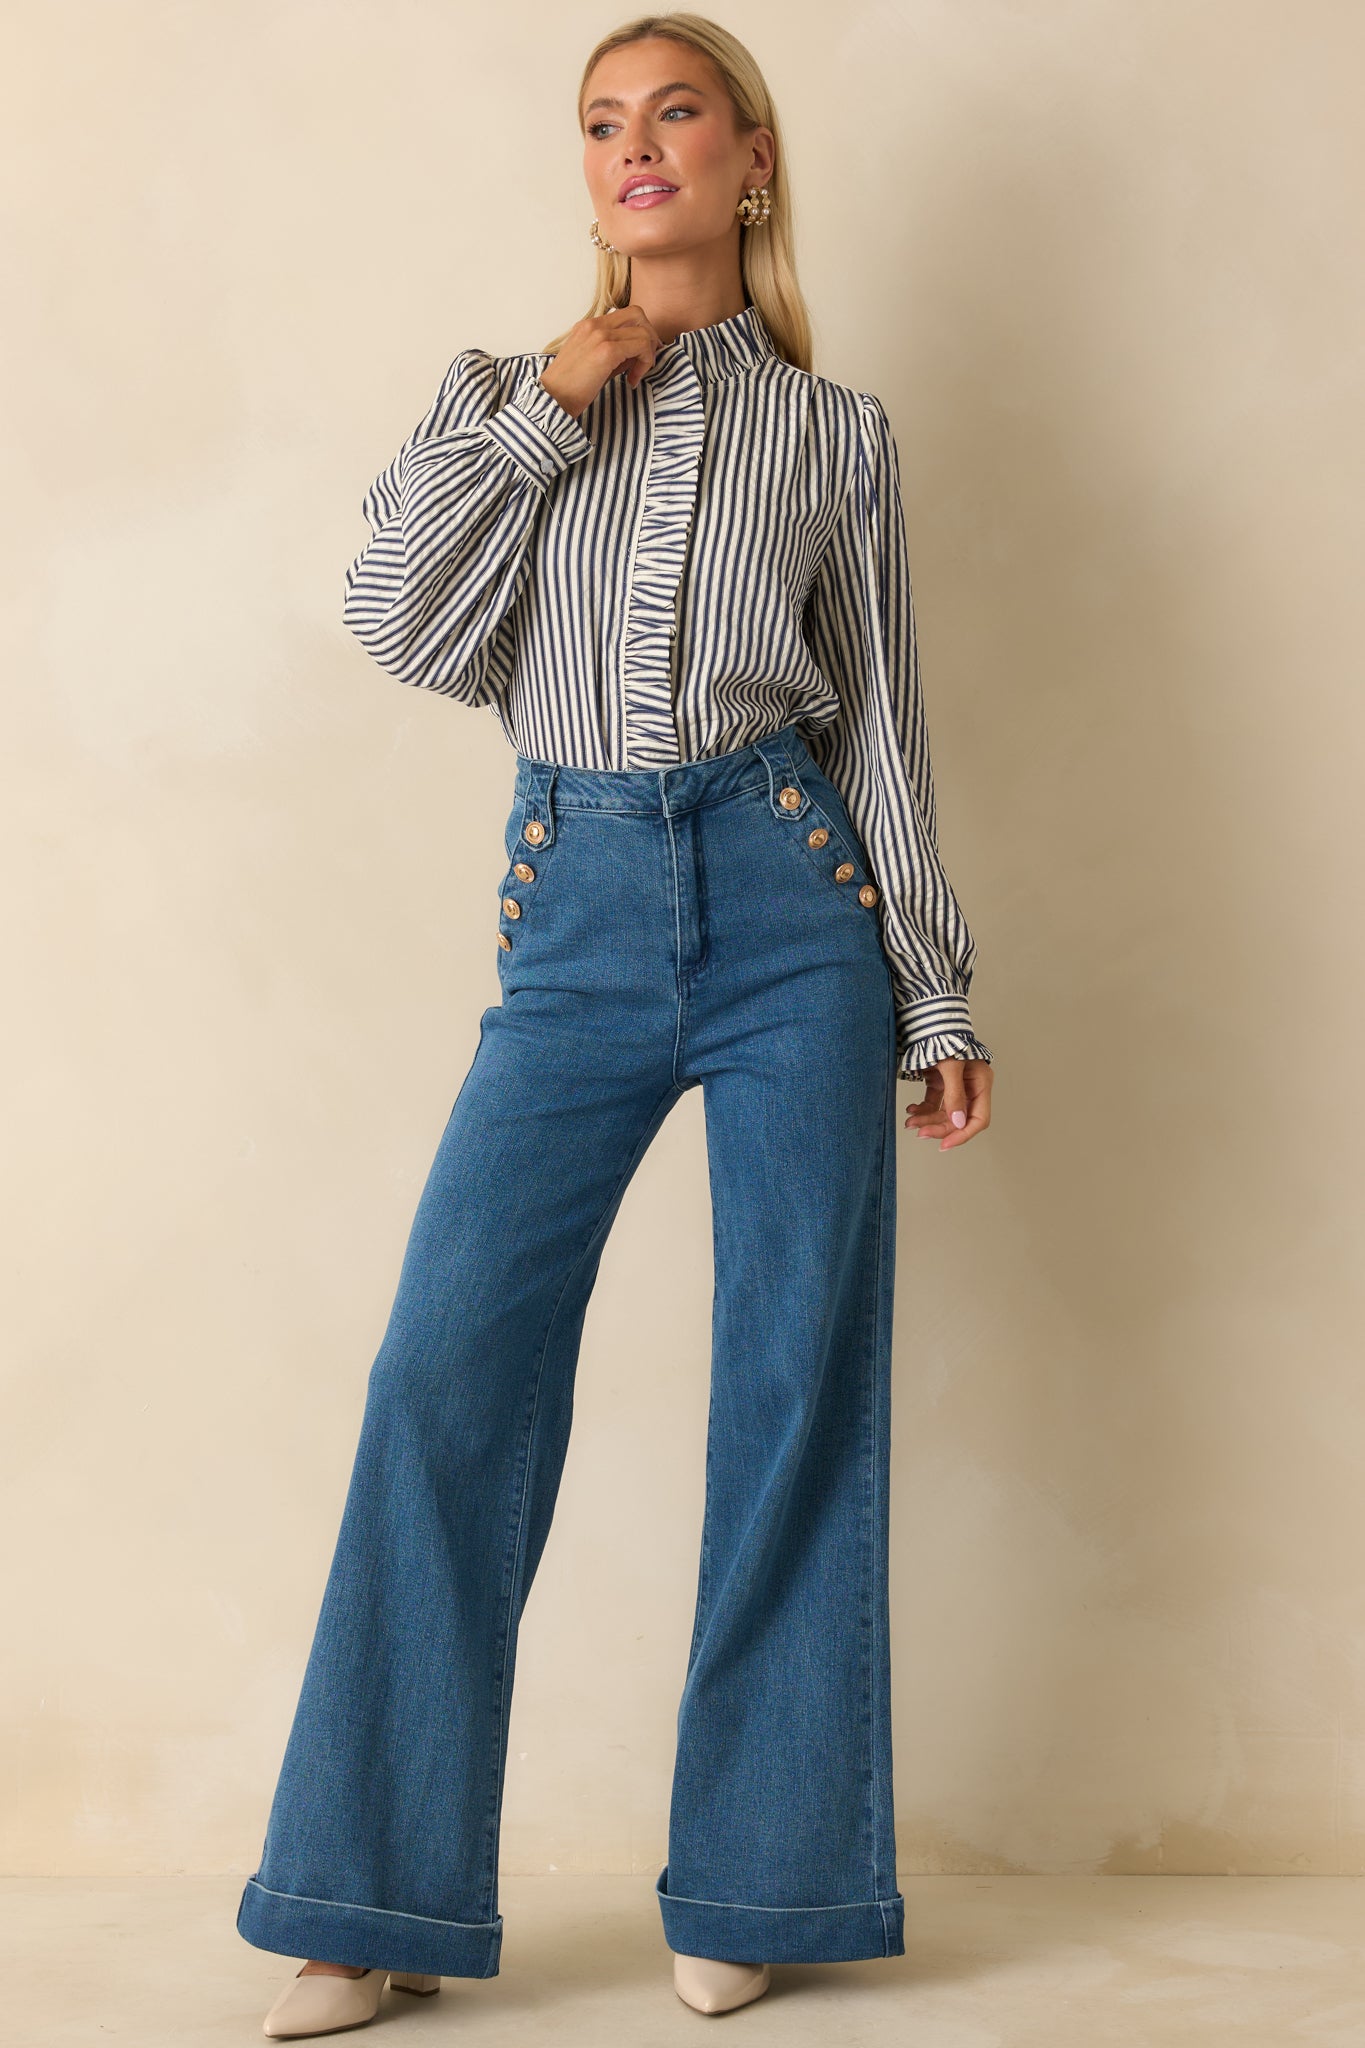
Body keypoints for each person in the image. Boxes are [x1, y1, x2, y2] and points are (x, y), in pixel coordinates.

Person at [237, 12, 994, 2037]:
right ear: (583, 177)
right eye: (599, 122)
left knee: (789, 1385)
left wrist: (930, 982)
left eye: (672, 113)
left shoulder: (837, 442)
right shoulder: (497, 398)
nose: (631, 146)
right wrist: (550, 405)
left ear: (748, 160)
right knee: (446, 1368)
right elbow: (399, 625)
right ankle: (367, 1894)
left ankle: (759, 1872)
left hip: (787, 907)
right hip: (566, 914)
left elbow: (882, 734)